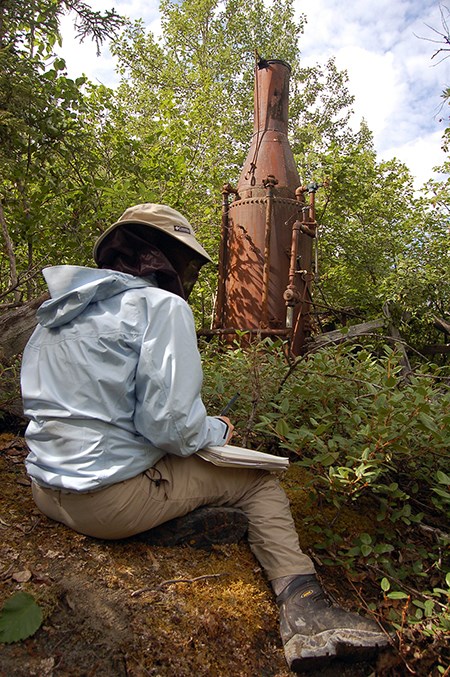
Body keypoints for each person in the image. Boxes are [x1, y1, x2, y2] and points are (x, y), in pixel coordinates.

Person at [21, 203, 390, 672]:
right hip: (105, 505)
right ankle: (307, 612)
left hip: (46, 493)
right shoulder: (160, 306)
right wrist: (217, 428)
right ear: (163, 258)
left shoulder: (52, 318)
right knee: (259, 482)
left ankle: (172, 520)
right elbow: (170, 427)